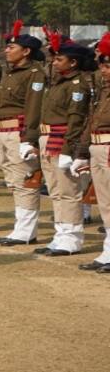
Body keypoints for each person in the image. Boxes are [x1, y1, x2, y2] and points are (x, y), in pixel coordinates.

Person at [33, 39, 94, 256]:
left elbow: (76, 120)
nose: (55, 62)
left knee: (68, 191)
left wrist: (68, 151)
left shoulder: (78, 85)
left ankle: (72, 237)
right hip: (48, 137)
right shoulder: (59, 82)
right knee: (56, 190)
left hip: (62, 140)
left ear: (73, 62)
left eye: (60, 59)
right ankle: (60, 234)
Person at [0, 23, 47, 245]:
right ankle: (21, 227)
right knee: (13, 181)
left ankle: (26, 231)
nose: (7, 50)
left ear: (26, 51)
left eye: (12, 47)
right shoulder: (9, 73)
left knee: (25, 180)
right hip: (3, 131)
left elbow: (34, 107)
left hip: (18, 132)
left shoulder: (34, 74)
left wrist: (29, 139)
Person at [77, 33, 110, 272]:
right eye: (103, 66)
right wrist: (82, 152)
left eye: (107, 66)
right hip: (97, 146)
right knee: (105, 202)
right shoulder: (103, 90)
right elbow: (92, 120)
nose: (104, 70)